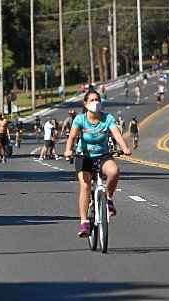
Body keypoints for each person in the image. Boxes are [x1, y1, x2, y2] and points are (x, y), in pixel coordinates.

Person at [64, 90, 132, 238]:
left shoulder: (107, 118)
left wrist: (125, 148)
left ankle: (108, 199)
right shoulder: (80, 120)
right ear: (86, 103)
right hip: (84, 157)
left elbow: (117, 135)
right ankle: (84, 222)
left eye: (97, 99)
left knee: (114, 171)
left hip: (103, 156)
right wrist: (68, 150)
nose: (95, 102)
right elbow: (72, 137)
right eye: (92, 100)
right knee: (86, 186)